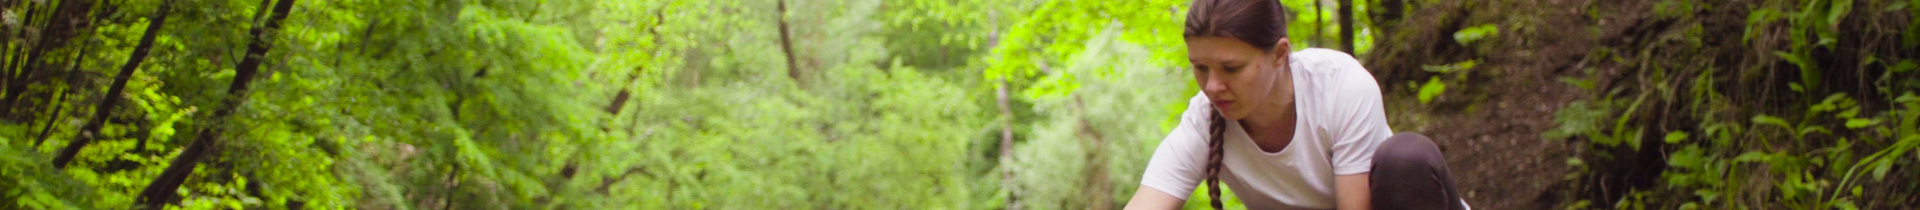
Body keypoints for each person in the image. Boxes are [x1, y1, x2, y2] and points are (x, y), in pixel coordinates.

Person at [1121, 0, 1468, 209]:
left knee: (1406, 158)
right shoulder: (1203, 121)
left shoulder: (1340, 86)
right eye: (1200, 68)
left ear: (1280, 54)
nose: (1212, 86)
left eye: (1231, 68)